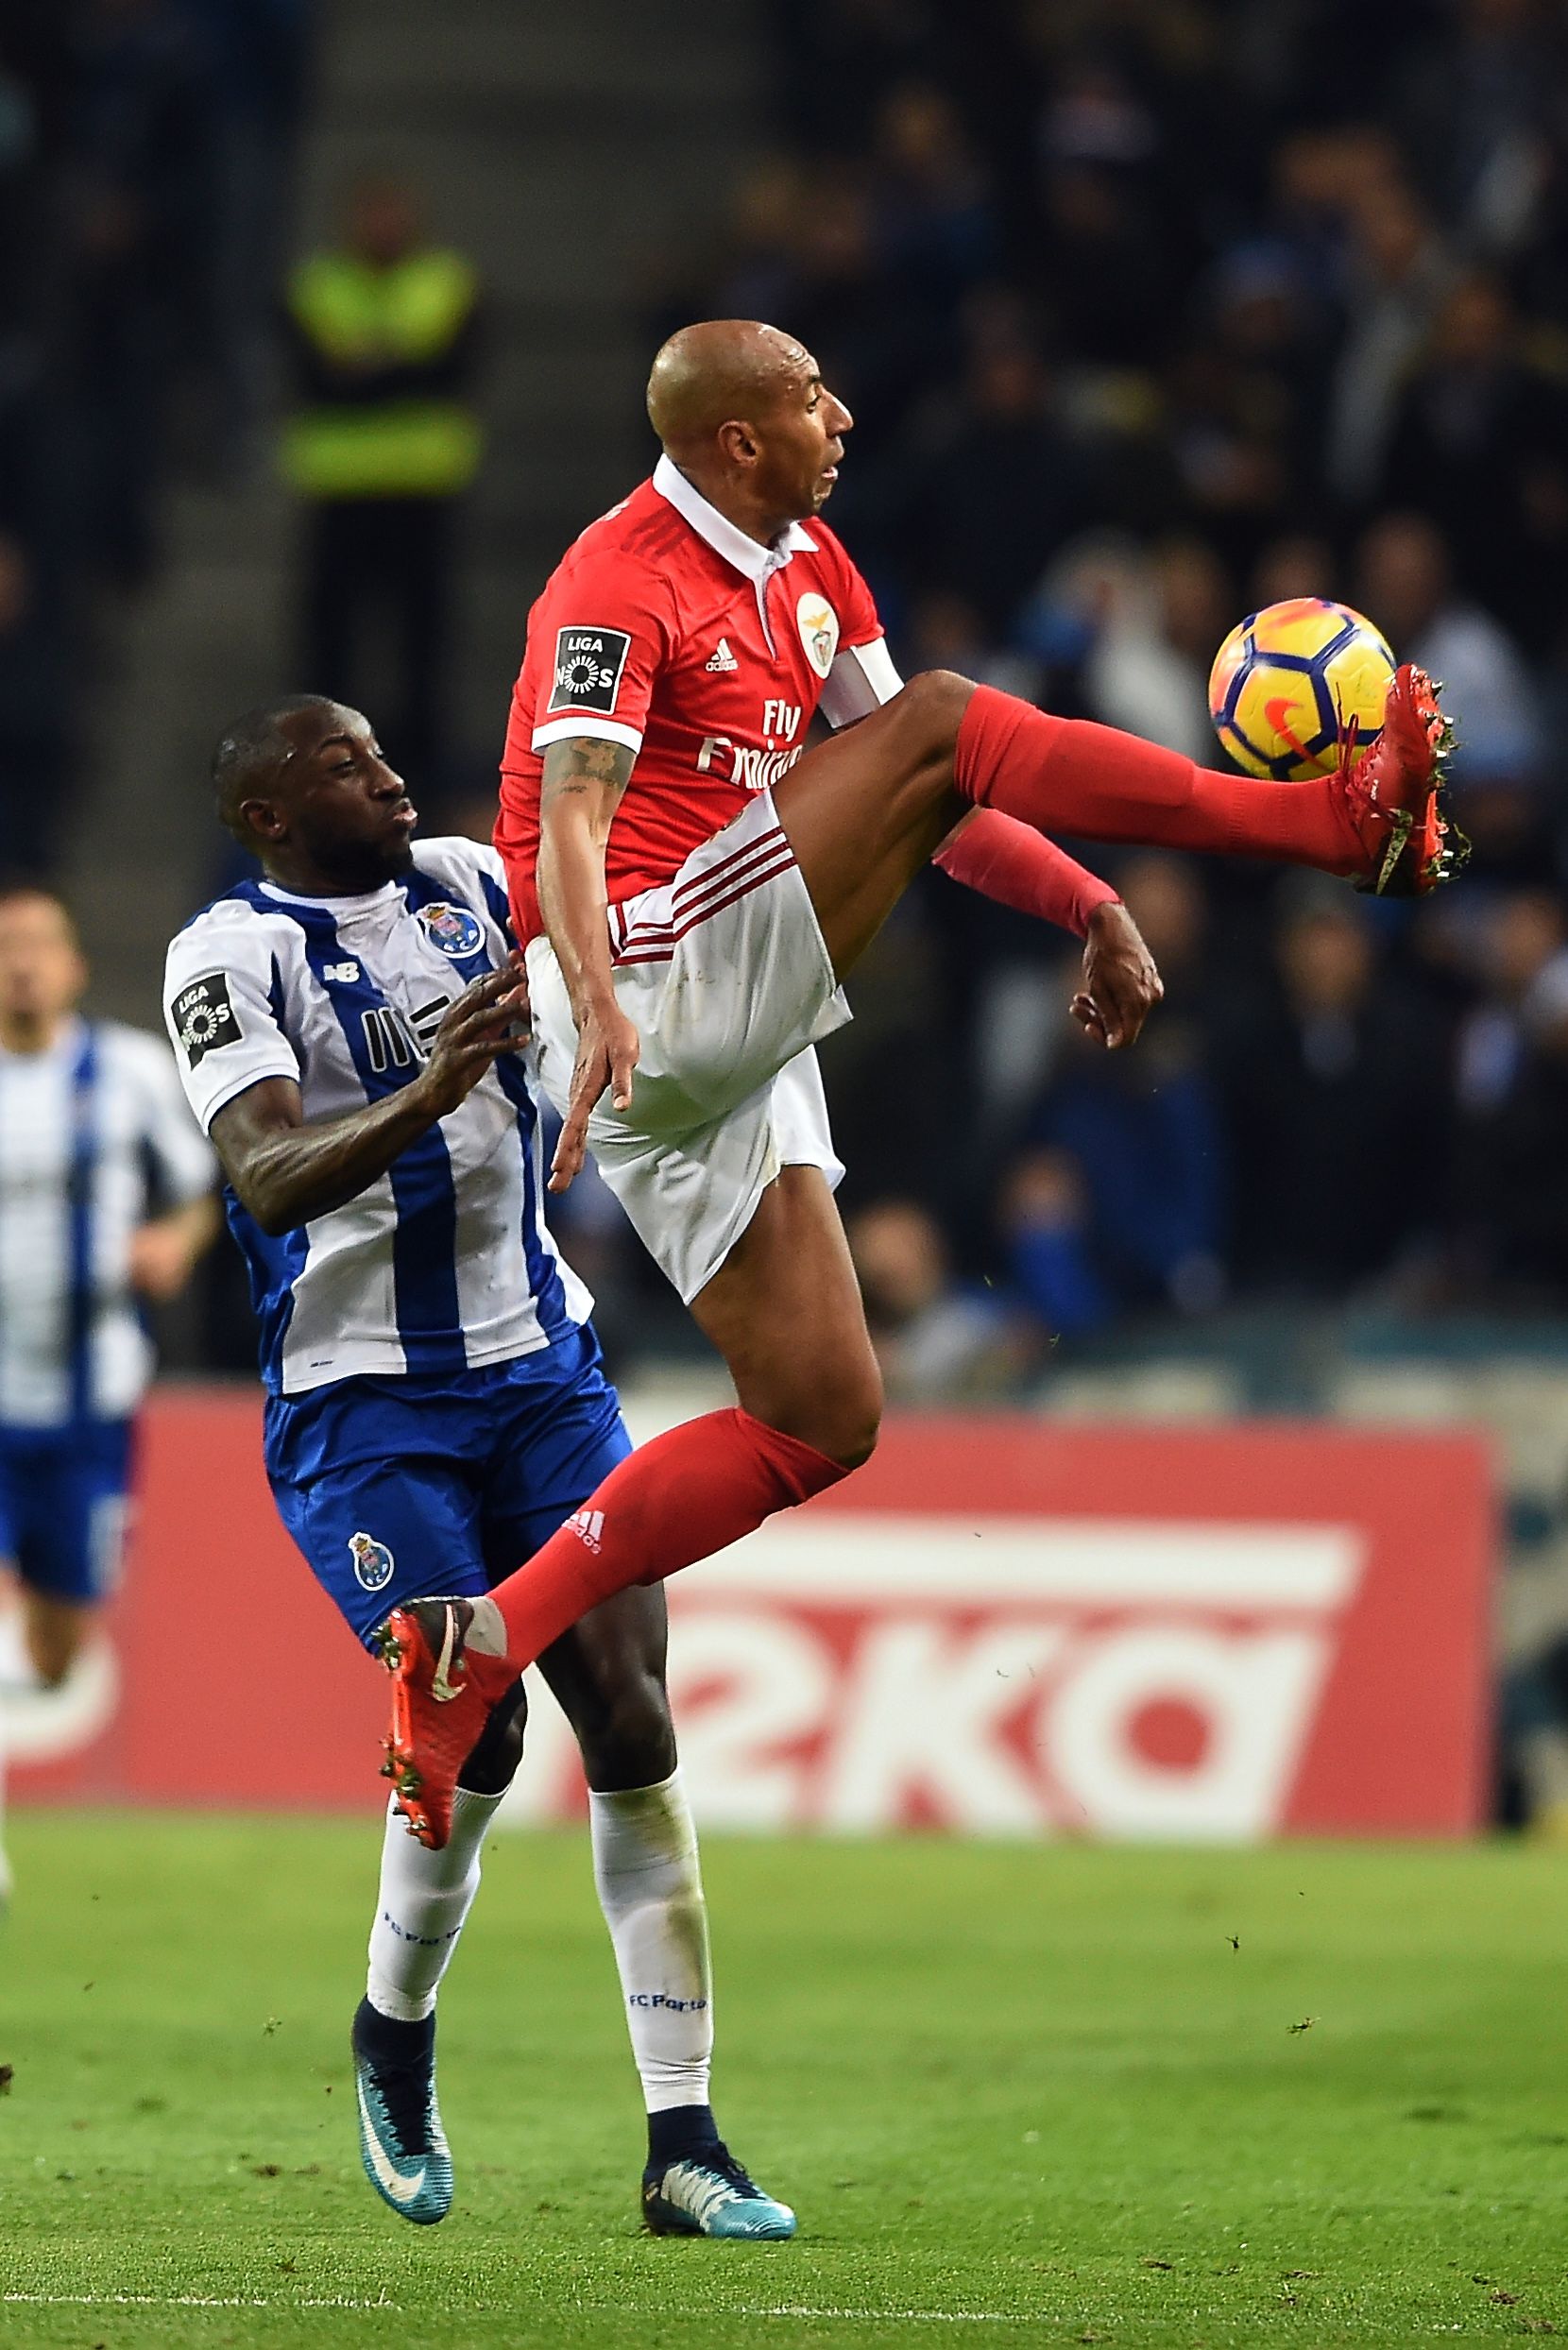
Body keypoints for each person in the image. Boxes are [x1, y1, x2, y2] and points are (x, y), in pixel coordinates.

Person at [379, 316, 1459, 1852]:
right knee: (949, 712)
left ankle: (475, 1643)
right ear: (735, 439)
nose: (844, 411)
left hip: (709, 1018)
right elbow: (569, 802)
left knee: (821, 1414)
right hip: (635, 971)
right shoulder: (616, 577)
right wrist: (601, 993)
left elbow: (940, 802)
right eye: (811, 395)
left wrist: (1082, 902)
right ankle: (1327, 833)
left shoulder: (814, 566)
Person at [161, 697, 793, 2241]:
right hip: (363, 1408)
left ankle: (685, 2138)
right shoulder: (224, 957)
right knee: (478, 1709)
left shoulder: (467, 879)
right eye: (337, 765)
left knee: (633, 1715)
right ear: (267, 815)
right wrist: (426, 1092)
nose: (382, 775)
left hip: (541, 1375)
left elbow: (618, 926)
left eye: (379, 754)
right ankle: (393, 2024)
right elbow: (263, 1169)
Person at [0, 883, 216, 1894]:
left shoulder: (126, 1073)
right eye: (8, 948)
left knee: (55, 1650)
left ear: (75, 965)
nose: (24, 965)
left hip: (90, 1407)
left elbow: (201, 1189)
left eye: (41, 945)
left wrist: (171, 1242)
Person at [281, 176, 484, 783]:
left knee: (422, 643)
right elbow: (313, 379)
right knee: (330, 641)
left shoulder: (448, 284)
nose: (383, 228)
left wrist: (362, 372)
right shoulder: (317, 285)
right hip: (339, 491)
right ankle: (321, 761)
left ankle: (417, 768)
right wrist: (402, 366)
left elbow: (451, 374)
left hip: (422, 491)